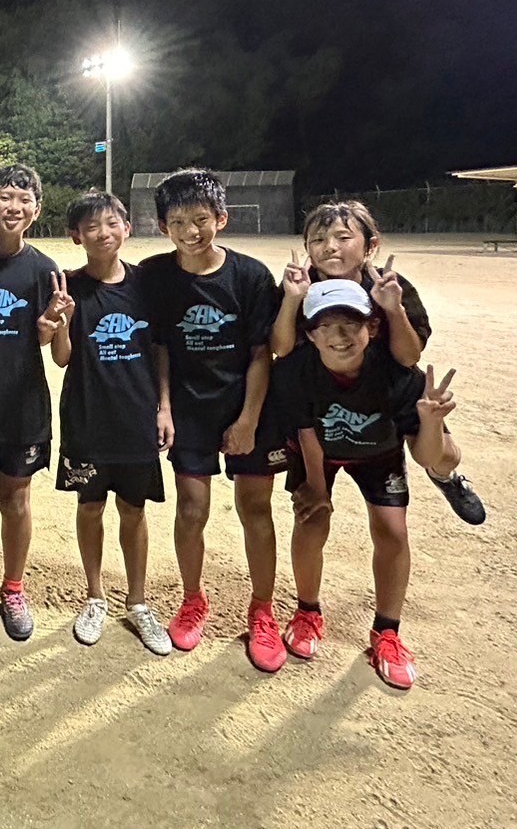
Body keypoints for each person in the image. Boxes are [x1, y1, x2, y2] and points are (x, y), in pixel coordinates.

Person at [279, 280, 464, 689]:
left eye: (351, 323)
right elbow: (305, 428)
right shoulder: (296, 368)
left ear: (373, 328)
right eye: (325, 326)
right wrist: (317, 489)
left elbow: (424, 456)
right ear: (310, 334)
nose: (340, 335)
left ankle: (387, 631)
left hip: (378, 453)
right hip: (320, 451)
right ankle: (307, 611)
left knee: (393, 532)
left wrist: (431, 422)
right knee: (310, 522)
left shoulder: (399, 376)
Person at [140, 168, 287, 672]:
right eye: (178, 222)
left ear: (221, 218)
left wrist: (247, 421)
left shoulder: (250, 276)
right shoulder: (157, 275)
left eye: (201, 219)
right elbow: (159, 346)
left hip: (249, 407)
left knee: (256, 510)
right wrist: (164, 406)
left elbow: (262, 353)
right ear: (163, 226)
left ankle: (262, 610)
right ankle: (193, 600)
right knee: (191, 510)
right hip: (189, 410)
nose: (190, 231)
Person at [271, 200, 484, 525]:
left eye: (343, 237)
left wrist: (393, 308)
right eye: (318, 239)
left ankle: (445, 478)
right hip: (323, 392)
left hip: (385, 387)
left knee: (445, 456)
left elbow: (408, 357)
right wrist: (291, 299)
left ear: (371, 246)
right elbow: (282, 349)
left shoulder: (389, 285)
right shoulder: (300, 286)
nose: (330, 247)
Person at [53, 192, 175, 654]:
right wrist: (63, 321)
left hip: (136, 417)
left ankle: (138, 602)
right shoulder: (68, 285)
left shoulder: (147, 285)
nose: (102, 233)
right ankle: (95, 596)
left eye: (111, 223)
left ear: (126, 227)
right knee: (90, 507)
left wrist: (164, 407)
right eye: (91, 226)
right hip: (86, 418)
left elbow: (160, 349)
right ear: (76, 236)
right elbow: (61, 358)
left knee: (133, 509)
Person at [0, 165, 64, 652]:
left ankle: (14, 589)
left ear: (36, 211)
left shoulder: (45, 270)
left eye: (24, 200)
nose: (14, 207)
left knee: (16, 501)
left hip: (22, 402)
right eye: (4, 197)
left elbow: (48, 344)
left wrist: (49, 328)